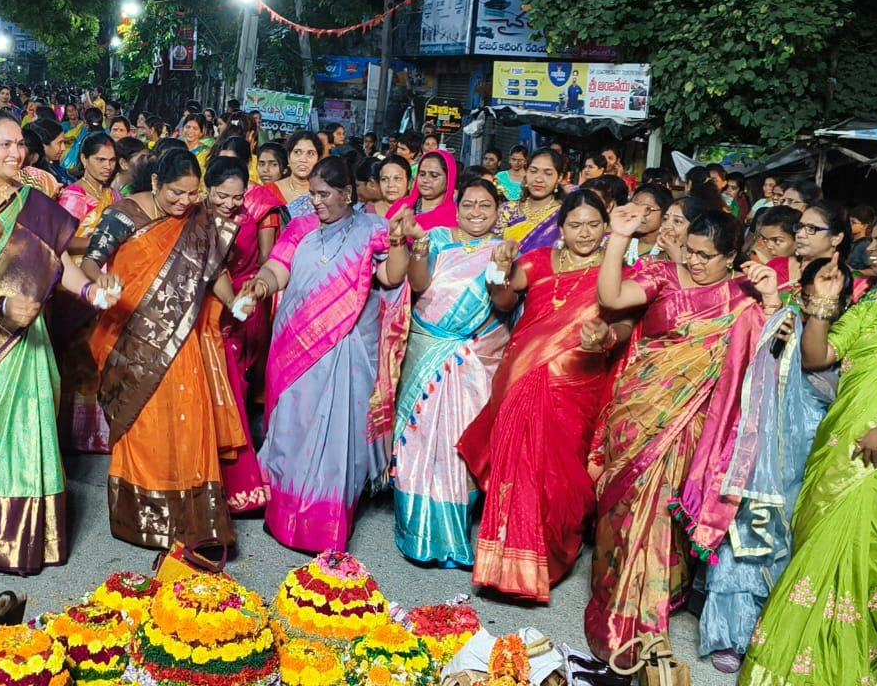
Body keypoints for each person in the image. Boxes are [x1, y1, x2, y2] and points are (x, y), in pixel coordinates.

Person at [586, 208, 780, 662]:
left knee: (659, 512)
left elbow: (771, 355)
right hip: (637, 409)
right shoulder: (662, 276)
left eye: (707, 256)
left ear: (732, 257)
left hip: (689, 422)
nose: (695, 262)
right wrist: (618, 236)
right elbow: (612, 297)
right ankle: (614, 598)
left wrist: (771, 300)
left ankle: (645, 612)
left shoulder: (743, 297)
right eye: (691, 251)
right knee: (622, 505)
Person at [740, 242, 877, 686]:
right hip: (836, 452)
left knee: (866, 570)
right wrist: (821, 303)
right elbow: (816, 358)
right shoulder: (872, 311)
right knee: (813, 559)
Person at [0, 110, 112, 573]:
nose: (16, 153)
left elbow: (58, 263)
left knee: (34, 423)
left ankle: (37, 538)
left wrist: (89, 290)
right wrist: (1, 307)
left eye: (20, 144)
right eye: (4, 144)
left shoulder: (31, 198)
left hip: (31, 328)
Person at [458, 190, 629, 601]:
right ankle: (506, 567)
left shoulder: (618, 271)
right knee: (516, 469)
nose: (584, 233)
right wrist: (500, 269)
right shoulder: (537, 262)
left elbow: (624, 325)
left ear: (606, 228)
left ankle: (549, 557)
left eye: (592, 225)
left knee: (561, 479)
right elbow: (504, 297)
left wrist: (606, 336)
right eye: (575, 225)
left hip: (578, 388)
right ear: (562, 227)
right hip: (521, 378)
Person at [236, 156, 411, 552]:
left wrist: (399, 242)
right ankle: (282, 515)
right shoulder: (299, 228)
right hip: (296, 347)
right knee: (291, 431)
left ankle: (324, 524)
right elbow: (277, 269)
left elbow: (391, 277)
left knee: (336, 441)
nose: (314, 201)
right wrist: (260, 286)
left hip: (346, 350)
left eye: (323, 194)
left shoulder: (373, 231)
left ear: (346, 194)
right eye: (312, 193)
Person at [83, 149, 248, 549]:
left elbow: (213, 271)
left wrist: (234, 302)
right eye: (176, 193)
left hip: (180, 340)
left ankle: (191, 519)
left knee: (189, 421)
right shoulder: (123, 214)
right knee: (143, 426)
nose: (184, 202)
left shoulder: (198, 220)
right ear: (155, 183)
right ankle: (143, 518)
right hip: (131, 337)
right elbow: (91, 261)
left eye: (193, 194)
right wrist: (100, 284)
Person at [697, 256, 848, 673]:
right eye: (813, 290)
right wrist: (773, 312)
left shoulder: (850, 338)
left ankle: (769, 632)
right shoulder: (784, 320)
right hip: (763, 456)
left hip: (810, 459)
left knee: (791, 543)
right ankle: (731, 634)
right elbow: (756, 368)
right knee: (746, 535)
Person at [391, 178, 509, 567]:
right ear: (457, 205)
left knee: (457, 443)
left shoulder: (503, 250)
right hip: (426, 348)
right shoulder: (439, 237)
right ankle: (416, 531)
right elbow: (418, 284)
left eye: (485, 207)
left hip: (473, 359)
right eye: (469, 204)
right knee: (418, 437)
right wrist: (419, 244)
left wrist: (502, 270)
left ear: (497, 212)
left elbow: (504, 304)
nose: (476, 212)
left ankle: (450, 529)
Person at [202, 156, 271, 513]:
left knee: (231, 391)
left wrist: (237, 303)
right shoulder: (194, 219)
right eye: (221, 196)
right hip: (200, 314)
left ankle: (233, 488)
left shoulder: (245, 222)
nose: (230, 204)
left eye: (237, 197)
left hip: (232, 312)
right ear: (207, 189)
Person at [57, 132, 120, 455]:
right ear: (83, 160)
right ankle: (77, 433)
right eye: (100, 160)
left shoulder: (115, 195)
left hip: (109, 281)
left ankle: (100, 430)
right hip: (78, 282)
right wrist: (103, 239)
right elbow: (63, 241)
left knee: (102, 354)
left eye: (111, 160)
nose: (107, 166)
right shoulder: (74, 196)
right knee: (79, 356)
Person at [496, 148, 566, 253]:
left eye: (548, 173)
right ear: (526, 172)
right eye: (533, 171)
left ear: (559, 177)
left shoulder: (564, 215)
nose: (538, 179)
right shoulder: (508, 210)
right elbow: (492, 248)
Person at [388, 150, 457, 230]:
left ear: (449, 179)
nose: (425, 180)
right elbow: (379, 239)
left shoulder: (455, 217)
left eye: (434, 176)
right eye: (422, 174)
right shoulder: (400, 207)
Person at [272, 131, 325, 220]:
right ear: (289, 157)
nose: (303, 159)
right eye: (297, 152)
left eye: (310, 153)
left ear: (318, 159)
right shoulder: (270, 192)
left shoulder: (326, 192)